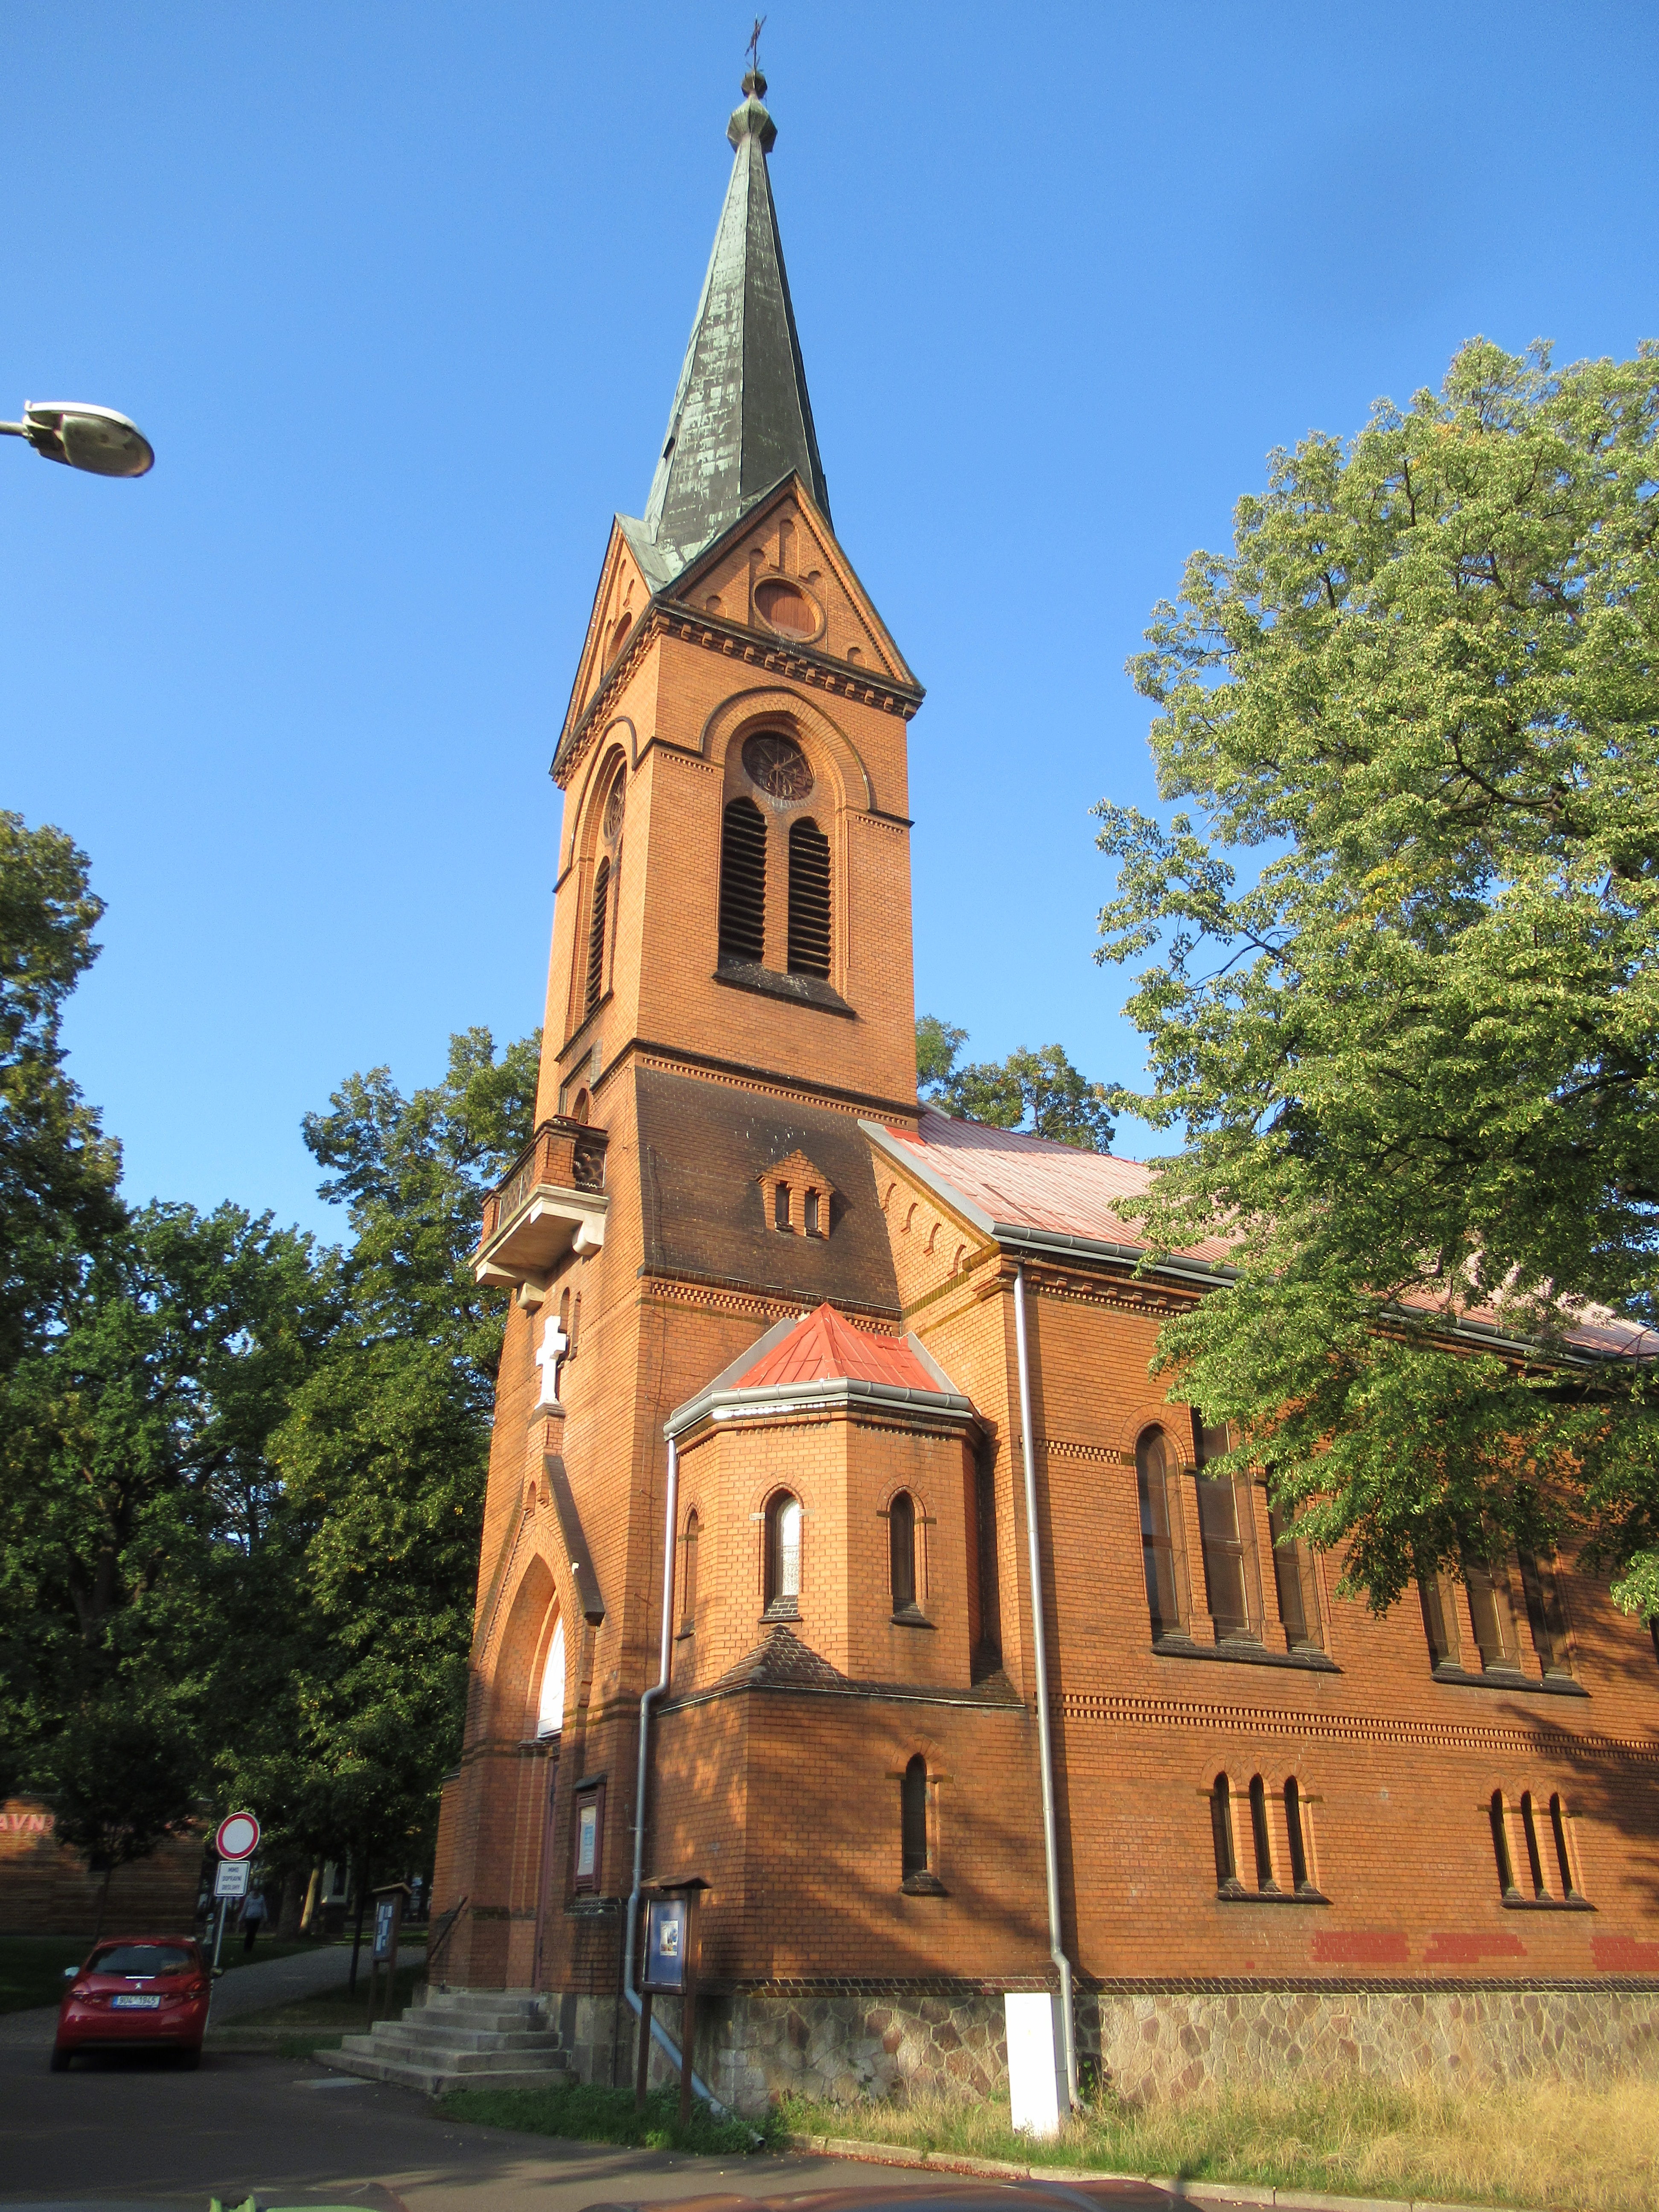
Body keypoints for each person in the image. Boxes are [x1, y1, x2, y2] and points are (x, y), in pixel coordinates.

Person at [239, 1886, 268, 1954]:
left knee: (253, 1934)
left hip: (257, 1918)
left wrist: (265, 1917)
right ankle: (246, 1948)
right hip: (249, 1918)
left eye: (257, 1890)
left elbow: (264, 1907)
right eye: (255, 1890)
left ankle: (250, 1948)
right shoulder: (249, 1898)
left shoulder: (261, 1898)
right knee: (249, 1933)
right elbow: (245, 1908)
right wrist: (241, 1918)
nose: (256, 1892)